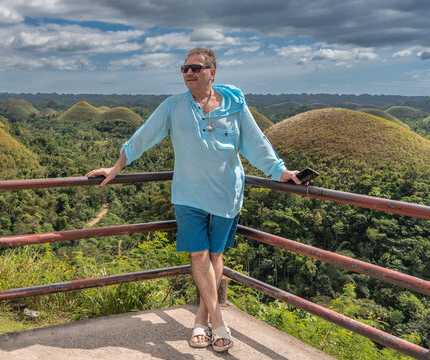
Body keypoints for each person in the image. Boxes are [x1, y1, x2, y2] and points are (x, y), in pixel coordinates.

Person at [86, 47, 301, 352]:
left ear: (212, 72)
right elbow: (143, 137)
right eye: (184, 68)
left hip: (227, 192)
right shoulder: (173, 106)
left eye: (196, 68)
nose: (188, 73)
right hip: (188, 194)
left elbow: (255, 142)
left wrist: (279, 170)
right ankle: (219, 322)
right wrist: (116, 167)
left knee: (215, 257)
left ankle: (201, 320)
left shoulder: (235, 105)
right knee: (198, 256)